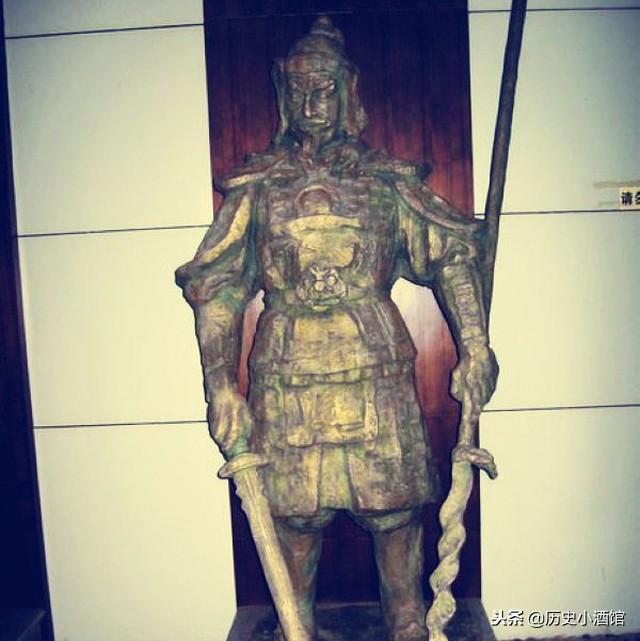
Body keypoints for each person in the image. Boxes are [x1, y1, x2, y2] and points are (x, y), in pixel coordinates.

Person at [176, 17, 497, 641]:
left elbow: (452, 256)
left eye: (323, 88)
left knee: (395, 505)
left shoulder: (383, 181)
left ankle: (407, 621)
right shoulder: (259, 187)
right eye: (298, 89)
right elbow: (217, 287)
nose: (311, 103)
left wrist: (476, 346)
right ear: (282, 92)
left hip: (374, 361)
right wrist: (220, 384)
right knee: (293, 511)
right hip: (286, 368)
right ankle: (295, 623)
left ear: (348, 91)